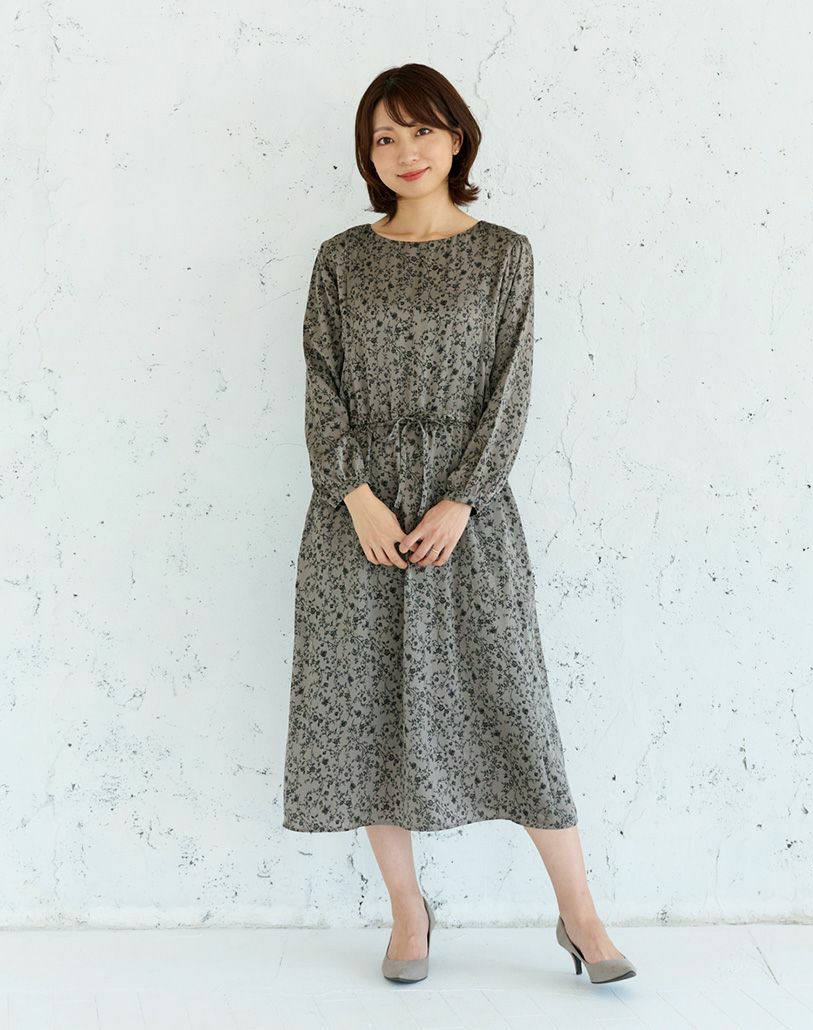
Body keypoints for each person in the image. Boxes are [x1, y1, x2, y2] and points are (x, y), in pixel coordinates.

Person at [282, 62, 636, 986]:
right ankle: (409, 913)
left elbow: (511, 389)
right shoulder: (340, 260)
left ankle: (581, 916)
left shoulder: (505, 254)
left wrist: (462, 497)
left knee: (516, 706)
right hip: (355, 519)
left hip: (467, 517)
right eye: (384, 136)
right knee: (363, 707)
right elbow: (321, 383)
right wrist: (354, 494)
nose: (405, 151)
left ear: (457, 138)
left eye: (422, 130)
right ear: (367, 154)